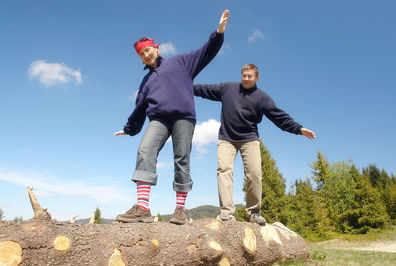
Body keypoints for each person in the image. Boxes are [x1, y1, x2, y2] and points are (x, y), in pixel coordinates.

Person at [114, 10, 230, 225]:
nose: (146, 55)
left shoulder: (181, 62)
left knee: (181, 158)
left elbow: (207, 51)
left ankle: (179, 209)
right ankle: (142, 208)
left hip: (183, 118)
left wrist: (219, 32)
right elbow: (140, 107)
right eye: (142, 54)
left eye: (148, 50)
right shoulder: (146, 82)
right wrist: (129, 128)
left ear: (156, 47)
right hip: (158, 119)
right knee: (145, 150)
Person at [193, 64, 316, 225]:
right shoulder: (227, 88)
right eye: (243, 75)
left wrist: (298, 129)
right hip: (226, 138)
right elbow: (204, 90)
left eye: (249, 76)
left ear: (257, 77)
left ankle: (254, 212)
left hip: (249, 139)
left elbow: (279, 117)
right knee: (224, 170)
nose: (246, 79)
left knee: (254, 173)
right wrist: (186, 85)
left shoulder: (262, 98)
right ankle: (227, 212)